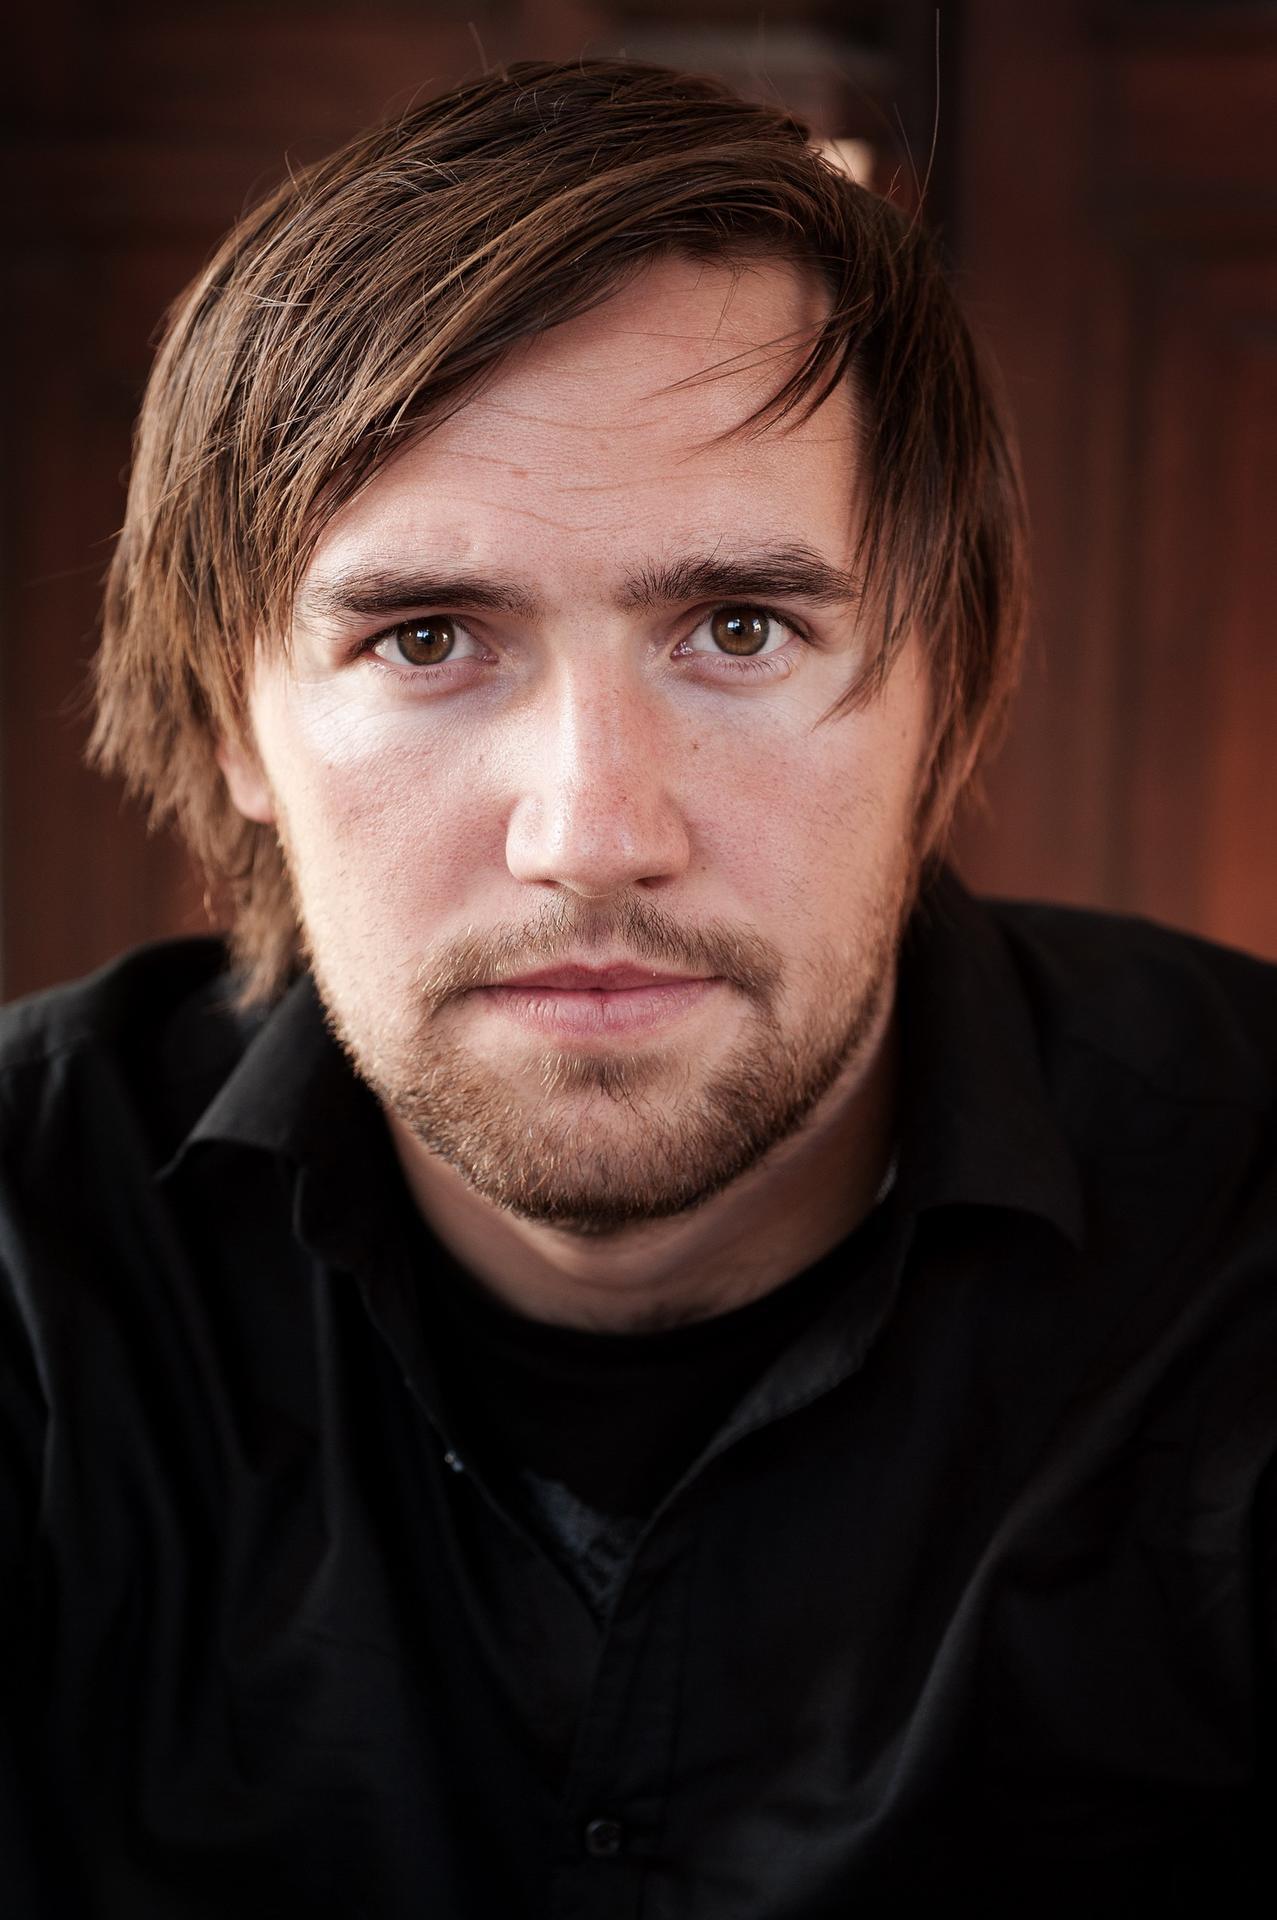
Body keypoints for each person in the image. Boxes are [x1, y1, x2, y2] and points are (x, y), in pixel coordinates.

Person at [2, 57, 1274, 1919]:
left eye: (738, 629)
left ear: (942, 700)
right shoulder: (27, 1240)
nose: (592, 835)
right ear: (232, 725)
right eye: (426, 637)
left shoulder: (1248, 1217)